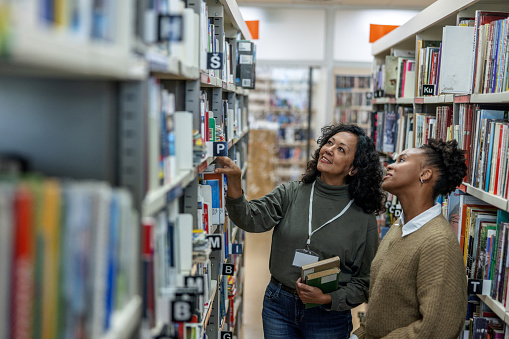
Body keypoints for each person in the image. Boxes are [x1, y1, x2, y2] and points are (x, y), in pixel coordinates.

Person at [214, 123, 385, 339]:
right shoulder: (291, 192)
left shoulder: (363, 217)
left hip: (328, 317)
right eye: (329, 143)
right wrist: (235, 183)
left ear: (354, 169)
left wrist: (328, 299)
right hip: (279, 305)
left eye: (341, 149)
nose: (329, 149)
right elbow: (250, 219)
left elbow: (365, 281)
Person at [352, 138, 468, 339]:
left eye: (401, 160)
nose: (390, 165)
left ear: (425, 174)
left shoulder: (438, 242)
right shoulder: (400, 226)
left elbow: (437, 330)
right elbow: (384, 305)